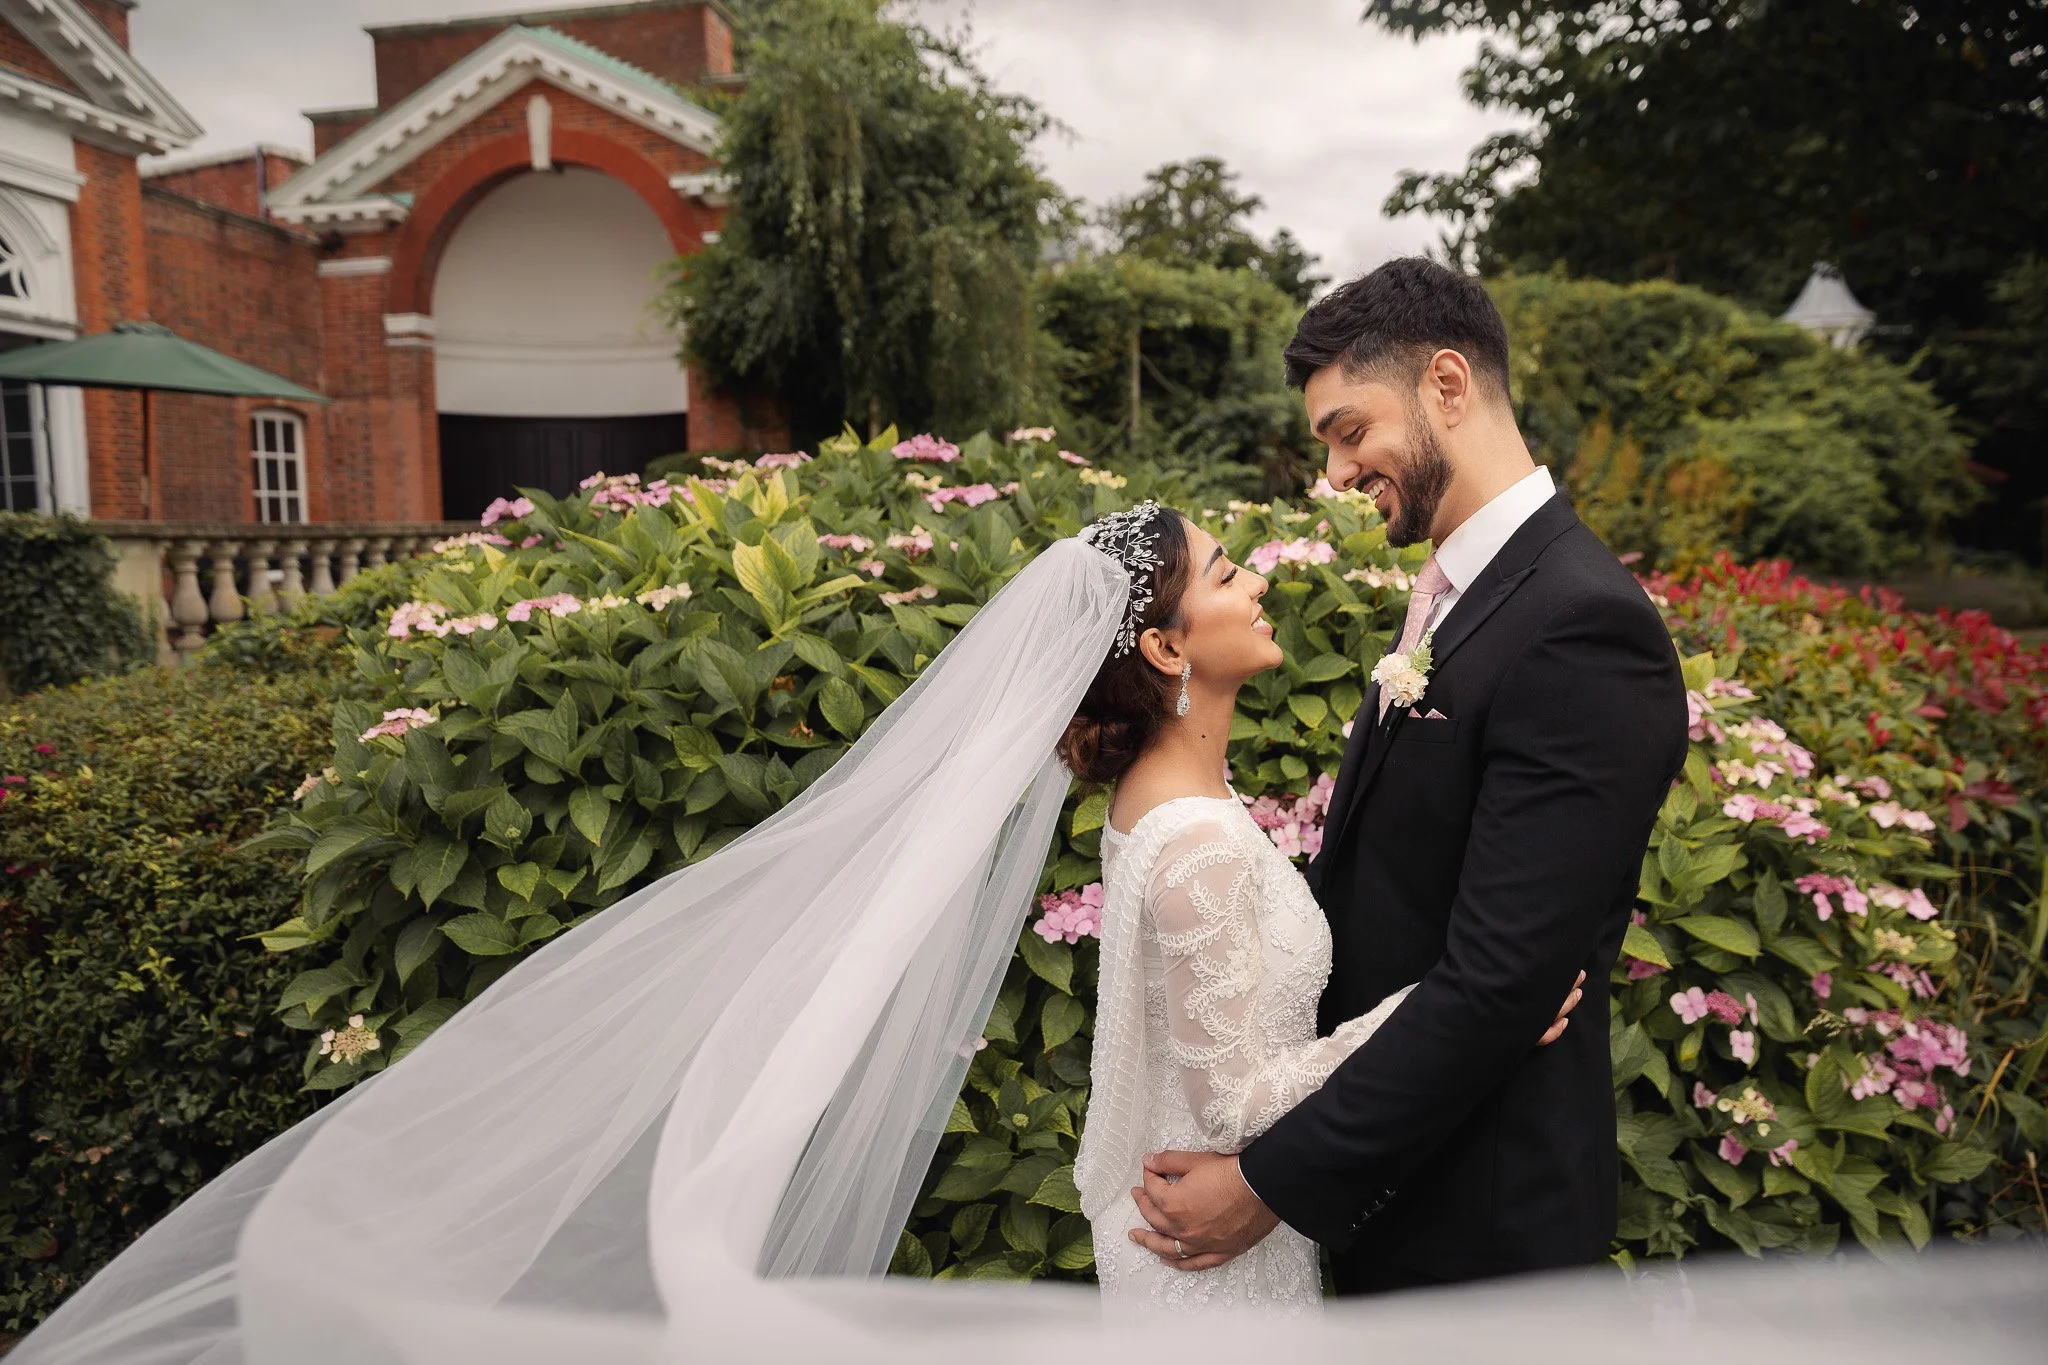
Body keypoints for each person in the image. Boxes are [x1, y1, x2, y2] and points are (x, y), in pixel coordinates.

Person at [1123, 257, 1690, 1295]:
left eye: (1348, 431)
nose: (1336, 474)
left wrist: (1266, 1184)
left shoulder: (1580, 624)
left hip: (1480, 1232)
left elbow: (1500, 982)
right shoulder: (1456, 596)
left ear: (1445, 385)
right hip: (1400, 1199)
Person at [1064, 500, 1583, 1312]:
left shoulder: (1158, 798)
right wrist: (1458, 1007)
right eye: (1228, 575)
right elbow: (1234, 1106)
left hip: (1201, 1231)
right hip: (1213, 1254)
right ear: (1166, 647)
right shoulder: (1197, 840)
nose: (1260, 580)